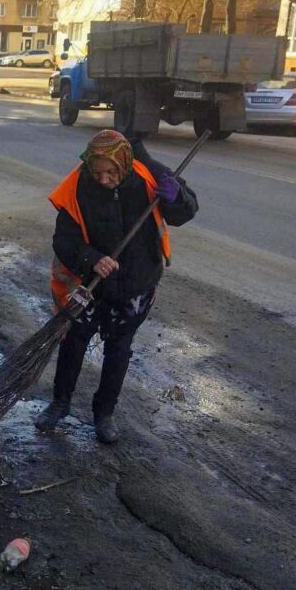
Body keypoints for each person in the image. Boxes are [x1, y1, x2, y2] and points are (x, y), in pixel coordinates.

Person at [35, 129, 198, 444]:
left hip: (135, 283)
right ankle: (60, 404)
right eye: (97, 172)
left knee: (119, 350)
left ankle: (104, 414)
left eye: (111, 172)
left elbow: (185, 212)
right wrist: (92, 259)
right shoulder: (79, 185)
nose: (104, 179)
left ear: (124, 164)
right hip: (90, 286)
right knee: (73, 343)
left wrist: (176, 197)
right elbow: (63, 239)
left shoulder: (149, 175)